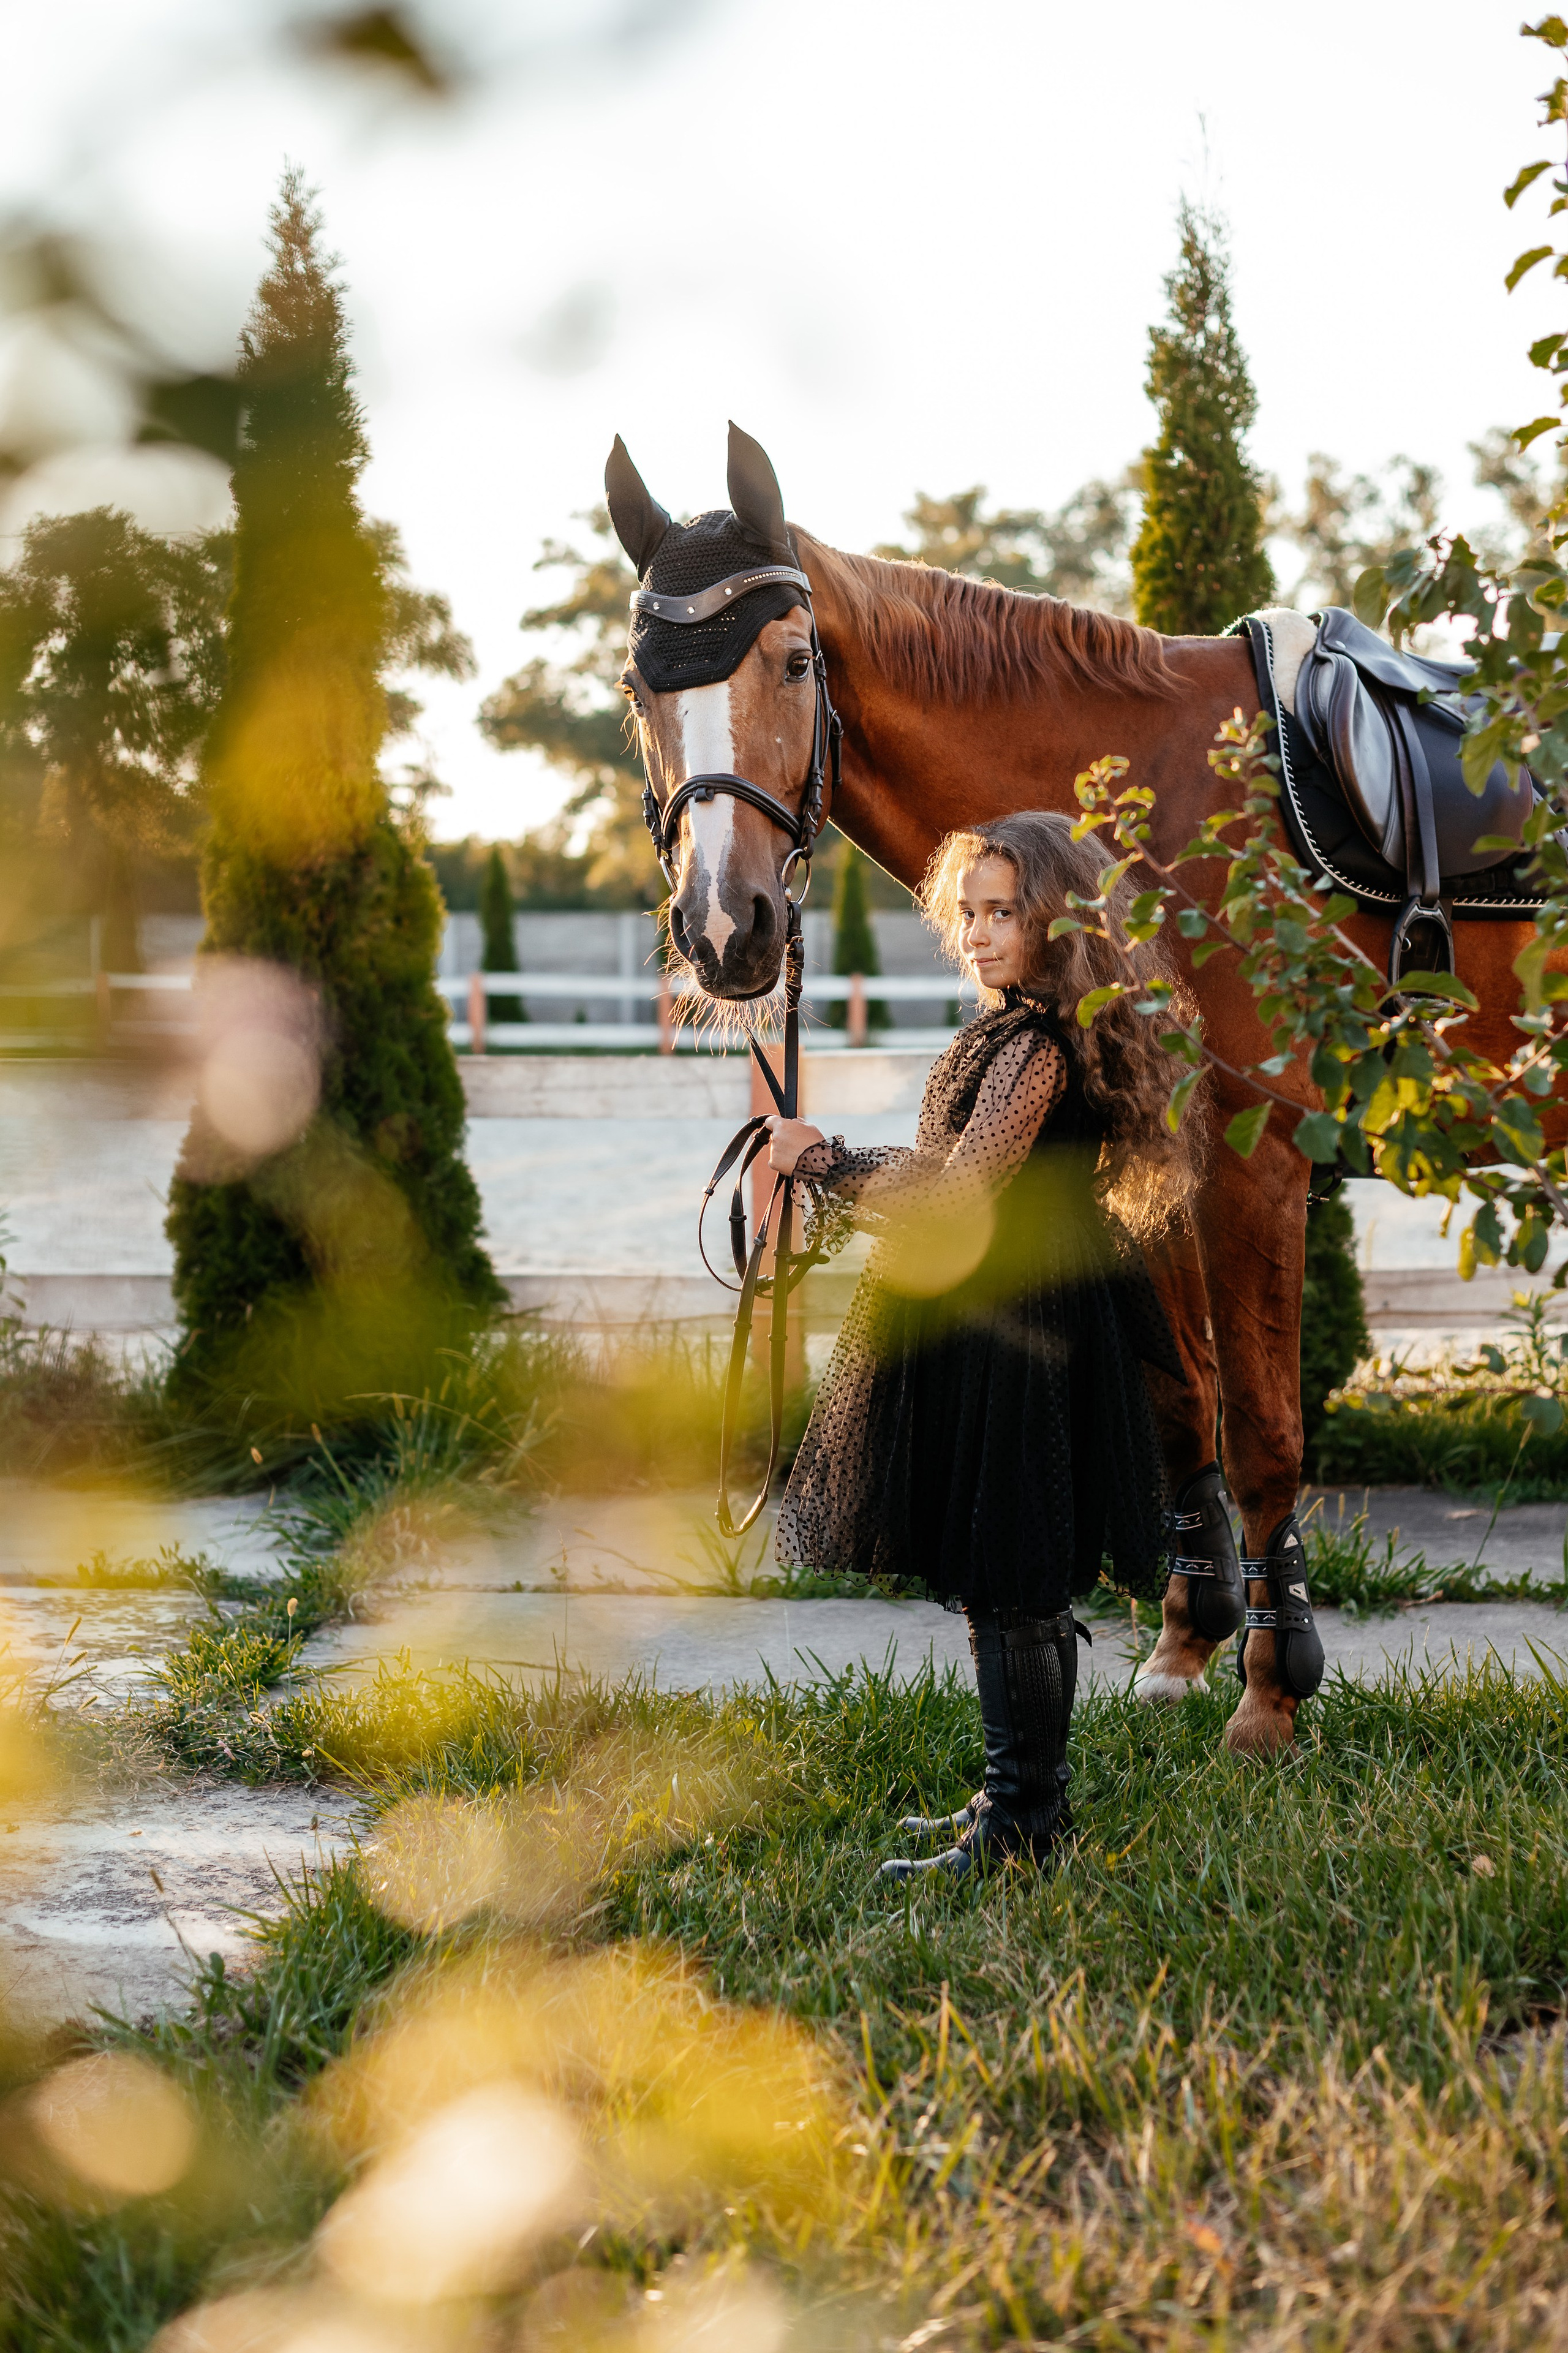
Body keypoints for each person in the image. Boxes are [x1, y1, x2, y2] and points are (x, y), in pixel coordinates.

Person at [765, 811, 1200, 1881]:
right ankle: (1021, 1804)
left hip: (1025, 1331)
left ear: (1057, 923)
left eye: (1003, 913)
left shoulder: (1041, 1049)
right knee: (1003, 1577)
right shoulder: (1013, 1034)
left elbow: (959, 1190)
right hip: (1003, 1315)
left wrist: (823, 1161)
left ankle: (1022, 1829)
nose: (979, 933)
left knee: (1013, 1578)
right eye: (969, 913)